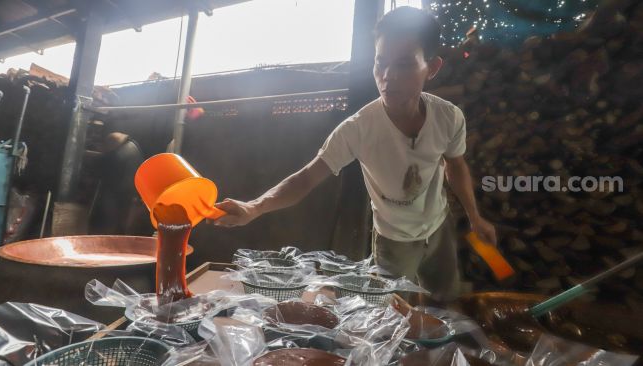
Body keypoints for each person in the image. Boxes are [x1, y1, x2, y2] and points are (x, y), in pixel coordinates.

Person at [212, 7, 496, 301]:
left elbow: (455, 165)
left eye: (404, 64)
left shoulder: (448, 117)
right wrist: (254, 207)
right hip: (392, 240)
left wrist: (475, 217)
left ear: (432, 68)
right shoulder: (358, 129)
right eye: (380, 62)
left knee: (445, 303)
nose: (387, 76)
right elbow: (308, 177)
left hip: (438, 228)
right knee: (394, 315)